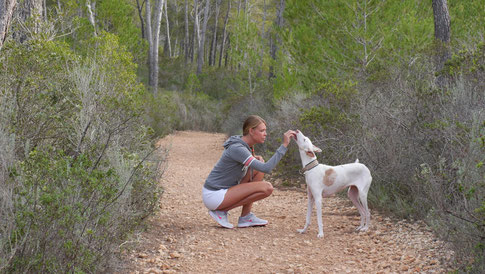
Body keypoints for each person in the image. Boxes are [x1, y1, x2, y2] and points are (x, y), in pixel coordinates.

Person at [202, 115, 296, 228]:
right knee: (267, 188)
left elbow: (260, 168)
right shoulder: (237, 148)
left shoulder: (246, 146)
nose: (265, 134)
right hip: (214, 195)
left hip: (224, 191)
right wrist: (284, 145)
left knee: (258, 169)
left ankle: (245, 217)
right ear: (251, 131)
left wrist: (255, 159)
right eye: (262, 131)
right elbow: (267, 168)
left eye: (265, 131)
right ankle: (220, 211)